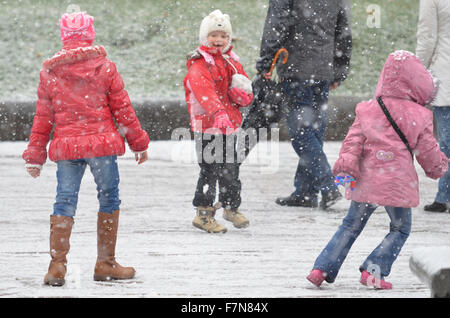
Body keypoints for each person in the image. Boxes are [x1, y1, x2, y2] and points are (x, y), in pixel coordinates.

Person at [22, 12, 150, 286]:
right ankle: (105, 263)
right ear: (89, 35)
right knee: (109, 198)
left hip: (67, 147)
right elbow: (122, 109)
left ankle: (57, 267)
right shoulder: (104, 67)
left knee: (64, 200)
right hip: (101, 144)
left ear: (64, 37)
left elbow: (43, 117)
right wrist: (138, 143)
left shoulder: (50, 72)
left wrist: (35, 156)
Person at [306, 50, 449, 290]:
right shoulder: (419, 115)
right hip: (397, 183)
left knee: (350, 225)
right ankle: (374, 270)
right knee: (400, 228)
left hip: (367, 179)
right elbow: (428, 152)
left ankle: (321, 268)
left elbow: (353, 141)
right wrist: (440, 167)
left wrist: (347, 165)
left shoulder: (369, 108)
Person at [256, 0, 352, 209]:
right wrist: (340, 67)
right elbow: (343, 30)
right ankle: (306, 192)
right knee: (313, 132)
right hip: (323, 67)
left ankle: (327, 186)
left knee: (302, 134)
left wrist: (265, 62)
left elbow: (276, 25)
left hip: (296, 67)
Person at [184, 10, 253, 233]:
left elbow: (241, 81)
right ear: (205, 37)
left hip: (229, 125)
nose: (219, 40)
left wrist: (244, 95)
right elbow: (204, 92)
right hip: (207, 126)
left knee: (230, 168)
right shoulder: (199, 64)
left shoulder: (230, 61)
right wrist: (217, 112)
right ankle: (203, 213)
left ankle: (231, 207)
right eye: (214, 35)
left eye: (223, 36)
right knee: (210, 169)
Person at [416, 0, 450, 213]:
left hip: (446, 73)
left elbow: (427, 38)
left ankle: (444, 195)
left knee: (447, 142)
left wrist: (417, 69)